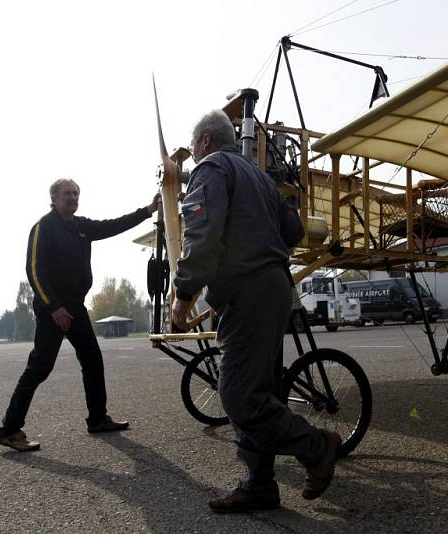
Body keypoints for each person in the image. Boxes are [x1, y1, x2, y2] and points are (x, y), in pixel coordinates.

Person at [171, 110, 341, 513]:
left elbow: (201, 233)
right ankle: (260, 484)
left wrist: (184, 293)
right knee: (259, 391)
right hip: (275, 285)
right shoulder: (260, 178)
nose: (193, 155)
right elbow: (295, 231)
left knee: (239, 396)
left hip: (248, 290)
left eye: (193, 147)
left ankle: (317, 447)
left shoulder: (210, 169)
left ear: (206, 143)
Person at [0, 179, 160, 451]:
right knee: (40, 367)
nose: (72, 198)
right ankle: (9, 430)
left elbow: (112, 225)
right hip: (54, 310)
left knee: (93, 360)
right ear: (54, 197)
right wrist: (54, 307)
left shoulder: (81, 226)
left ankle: (97, 419)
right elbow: (35, 272)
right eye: (67, 194)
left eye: (76, 193)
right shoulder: (43, 228)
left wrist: (146, 211)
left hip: (76, 307)